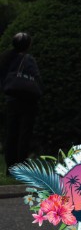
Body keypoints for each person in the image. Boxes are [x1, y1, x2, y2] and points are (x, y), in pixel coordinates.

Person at [1, 32, 42, 169]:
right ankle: (21, 165)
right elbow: (37, 78)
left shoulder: (6, 58)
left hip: (11, 99)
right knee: (24, 134)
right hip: (28, 100)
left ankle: (10, 166)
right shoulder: (28, 59)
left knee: (11, 133)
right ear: (28, 45)